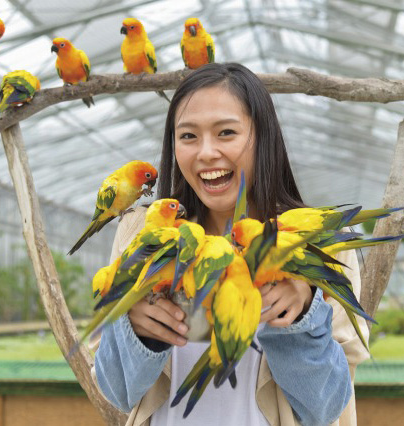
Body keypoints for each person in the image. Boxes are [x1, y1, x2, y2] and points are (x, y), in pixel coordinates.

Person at [93, 63, 370, 426]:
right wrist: (136, 334)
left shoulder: (322, 245)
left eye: (226, 132)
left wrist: (302, 315)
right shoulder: (140, 233)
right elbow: (116, 392)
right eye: (188, 136)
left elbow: (325, 406)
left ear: (262, 138)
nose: (206, 153)